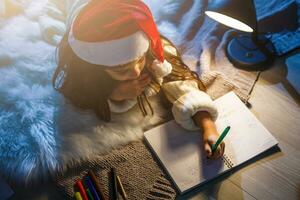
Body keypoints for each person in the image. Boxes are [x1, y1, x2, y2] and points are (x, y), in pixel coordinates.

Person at [52, 0, 225, 159]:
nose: (135, 72)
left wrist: (208, 126)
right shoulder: (82, 58)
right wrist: (113, 94)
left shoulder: (150, 46)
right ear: (96, 68)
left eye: (140, 59)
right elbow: (76, 93)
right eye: (121, 68)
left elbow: (181, 82)